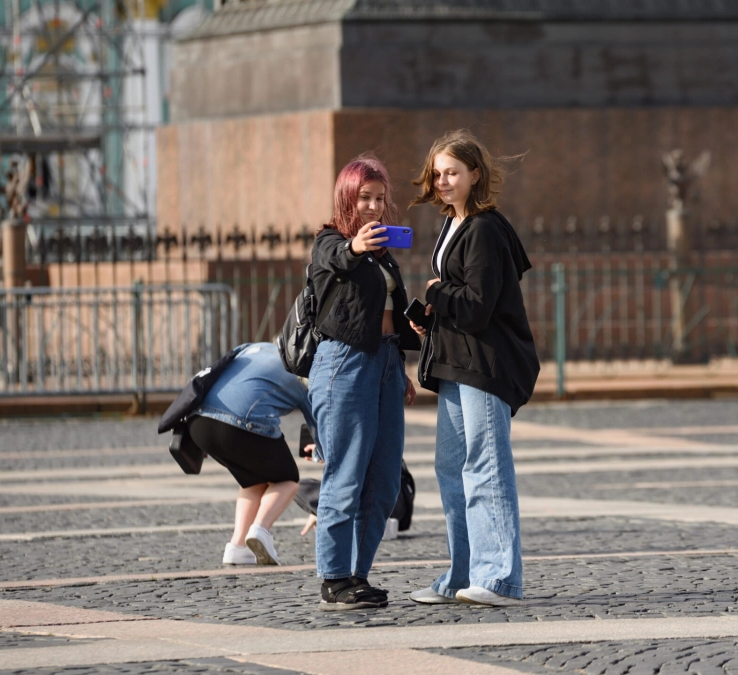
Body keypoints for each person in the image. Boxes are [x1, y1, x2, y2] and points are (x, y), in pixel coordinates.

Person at [406, 130, 540, 607]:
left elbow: (480, 305)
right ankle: (461, 575)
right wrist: (432, 315)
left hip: (484, 364)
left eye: (452, 173)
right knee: (452, 468)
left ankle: (500, 578)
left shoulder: (483, 228)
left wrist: (438, 293)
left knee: (486, 467)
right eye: (437, 174)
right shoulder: (452, 223)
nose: (443, 181)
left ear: (475, 174)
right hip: (454, 362)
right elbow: (459, 297)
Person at [308, 155, 421, 610]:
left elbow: (387, 311)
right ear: (347, 197)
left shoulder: (383, 255)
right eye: (364, 197)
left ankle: (357, 573)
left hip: (387, 365)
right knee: (346, 474)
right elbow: (335, 258)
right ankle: (333, 578)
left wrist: (402, 364)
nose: (374, 206)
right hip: (345, 364)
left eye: (379, 198)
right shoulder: (329, 242)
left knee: (386, 479)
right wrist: (354, 248)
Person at [186, 342, 317, 566]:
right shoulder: (303, 369)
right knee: (287, 480)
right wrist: (320, 447)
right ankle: (260, 530)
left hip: (198, 423)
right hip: (239, 424)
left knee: (252, 481)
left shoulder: (253, 348)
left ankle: (237, 547)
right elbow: (318, 416)